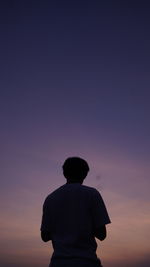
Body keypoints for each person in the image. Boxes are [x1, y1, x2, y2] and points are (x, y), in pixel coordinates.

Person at [40, 157, 111, 267]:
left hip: (58, 263)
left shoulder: (50, 198)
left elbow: (44, 236)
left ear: (64, 173)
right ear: (84, 174)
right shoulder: (92, 194)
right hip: (86, 262)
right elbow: (102, 234)